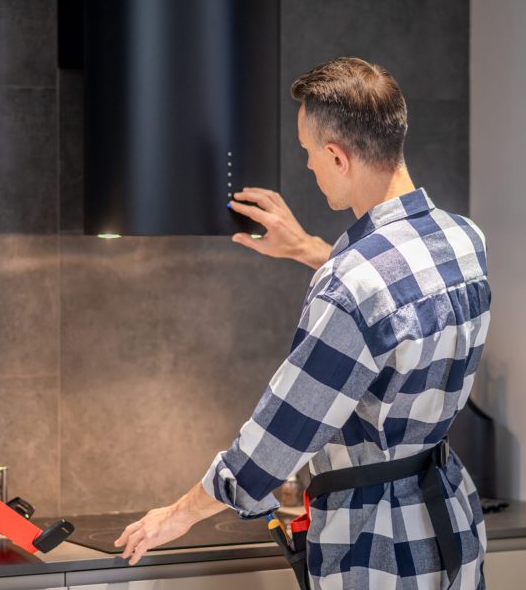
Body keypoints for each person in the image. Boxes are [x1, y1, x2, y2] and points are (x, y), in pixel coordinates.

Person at [114, 57, 490, 590]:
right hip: (451, 522)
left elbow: (280, 438)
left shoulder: (352, 284)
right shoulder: (462, 240)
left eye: (309, 153)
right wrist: (309, 250)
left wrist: (179, 513)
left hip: (378, 547)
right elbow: (398, 303)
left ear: (338, 156)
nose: (309, 167)